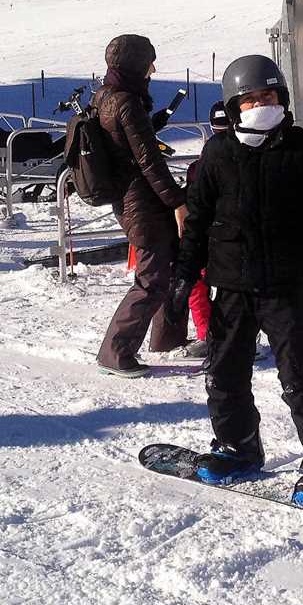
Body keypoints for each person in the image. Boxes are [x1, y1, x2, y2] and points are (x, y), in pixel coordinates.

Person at [171, 54, 303, 510]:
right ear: (234, 106)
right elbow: (197, 219)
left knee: (300, 378)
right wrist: (182, 273)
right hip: (231, 287)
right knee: (224, 373)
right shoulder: (217, 153)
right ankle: (238, 446)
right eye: (251, 99)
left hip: (286, 286)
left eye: (269, 96)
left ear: (283, 99)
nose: (261, 105)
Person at [94, 34, 189, 377]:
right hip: (141, 201)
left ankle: (168, 339)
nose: (153, 68)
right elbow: (149, 160)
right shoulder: (126, 103)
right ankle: (114, 352)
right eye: (149, 60)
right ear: (135, 63)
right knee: (151, 278)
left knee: (172, 266)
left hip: (137, 197)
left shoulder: (105, 95)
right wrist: (177, 201)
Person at [174, 101, 231, 361]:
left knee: (202, 285)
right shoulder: (204, 164)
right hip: (219, 236)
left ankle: (213, 334)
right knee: (226, 288)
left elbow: (194, 206)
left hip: (214, 236)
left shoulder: (201, 164)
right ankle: (218, 334)